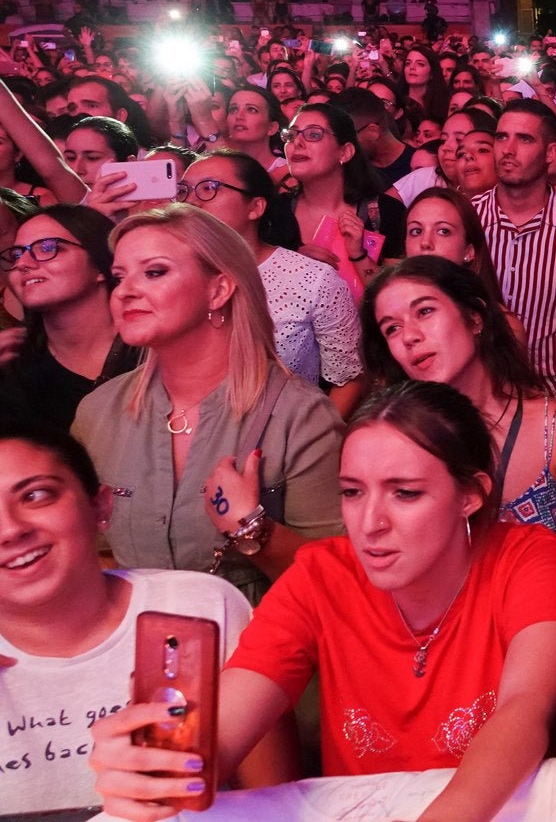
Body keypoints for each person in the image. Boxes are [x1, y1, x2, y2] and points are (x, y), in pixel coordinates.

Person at [90, 381, 556, 821]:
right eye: (351, 492)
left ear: (471, 495)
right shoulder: (322, 574)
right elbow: (231, 715)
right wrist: (160, 764)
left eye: (404, 494)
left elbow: (524, 710)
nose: (369, 523)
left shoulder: (527, 557)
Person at [71, 205, 344, 601]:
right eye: (119, 276)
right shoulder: (98, 412)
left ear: (218, 289)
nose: (125, 291)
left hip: (258, 653)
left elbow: (340, 580)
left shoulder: (301, 417)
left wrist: (251, 528)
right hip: (141, 655)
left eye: (154, 272)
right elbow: (92, 555)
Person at [0, 426, 262, 814]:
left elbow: (277, 799)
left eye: (36, 495)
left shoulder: (199, 607)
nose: (9, 529)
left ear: (100, 506)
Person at [364, 256, 556, 565]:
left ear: (474, 318)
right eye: (392, 328)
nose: (409, 336)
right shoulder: (395, 446)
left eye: (425, 311)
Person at [178, 151, 365, 416]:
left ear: (255, 207)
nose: (191, 202)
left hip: (285, 438)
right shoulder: (170, 276)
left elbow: (349, 379)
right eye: (183, 191)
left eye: (208, 188)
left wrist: (313, 441)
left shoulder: (310, 279)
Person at [471, 100, 556, 412]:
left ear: (550, 153)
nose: (508, 149)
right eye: (502, 137)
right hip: (483, 398)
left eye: (525, 139)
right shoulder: (469, 218)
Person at [0, 206, 139, 432]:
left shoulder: (153, 349)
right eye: (17, 254)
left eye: (47, 248)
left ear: (101, 265)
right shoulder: (14, 370)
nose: (23, 263)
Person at [276, 104, 406, 283]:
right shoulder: (275, 212)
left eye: (314, 134)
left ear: (345, 152)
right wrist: (290, 263)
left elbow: (399, 295)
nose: (297, 143)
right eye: (290, 135)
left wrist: (359, 256)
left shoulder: (386, 213)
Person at [405, 185, 529, 345]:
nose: (425, 242)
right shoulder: (390, 312)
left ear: (469, 251)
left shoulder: (504, 328)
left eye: (443, 231)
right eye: (416, 231)